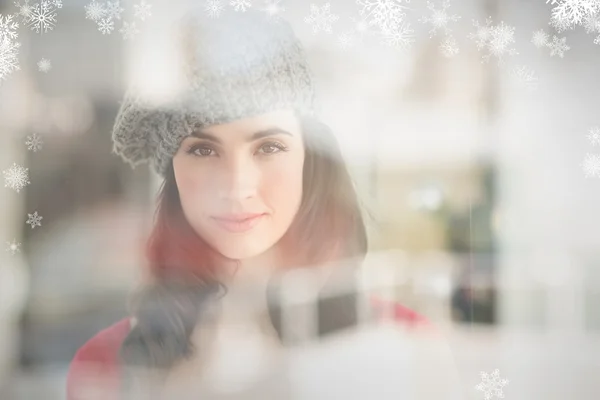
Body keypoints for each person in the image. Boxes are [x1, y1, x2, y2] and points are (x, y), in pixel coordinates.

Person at [66, 5, 458, 400]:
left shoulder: (407, 351)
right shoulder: (107, 364)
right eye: (203, 150)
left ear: (310, 160)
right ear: (173, 174)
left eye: (269, 146)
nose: (237, 186)